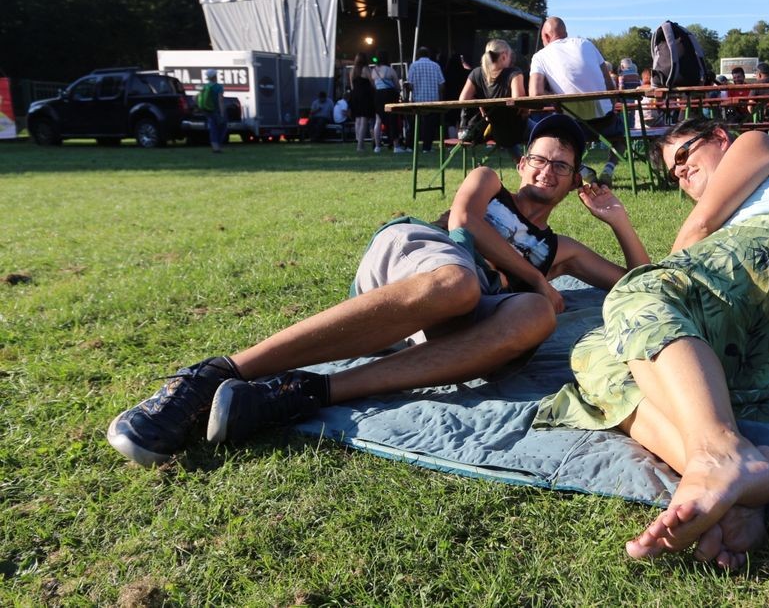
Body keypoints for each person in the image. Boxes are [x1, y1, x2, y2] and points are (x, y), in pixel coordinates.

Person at [107, 114, 652, 468]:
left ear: (576, 177)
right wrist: (536, 277)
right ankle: (216, 374)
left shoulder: (563, 249)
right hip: (424, 258)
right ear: (521, 163)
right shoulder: (490, 182)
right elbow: (464, 222)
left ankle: (303, 393)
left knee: (537, 316)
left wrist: (618, 221)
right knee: (463, 281)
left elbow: (640, 284)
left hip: (456, 313)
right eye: (538, 158)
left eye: (562, 165)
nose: (547, 170)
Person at [536, 118, 769, 570]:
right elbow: (653, 304)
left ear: (719, 138)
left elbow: (695, 231)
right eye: (673, 173)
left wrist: (647, 288)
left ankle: (718, 450)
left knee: (637, 300)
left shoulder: (754, 144)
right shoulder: (722, 245)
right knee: (596, 351)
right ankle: (725, 485)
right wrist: (621, 225)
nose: (681, 174)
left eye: (685, 156)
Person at [529, 17, 619, 185]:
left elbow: (535, 94)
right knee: (623, 134)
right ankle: (608, 169)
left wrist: (554, 97)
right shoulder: (586, 44)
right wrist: (611, 106)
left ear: (547, 37)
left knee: (558, 139)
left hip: (572, 128)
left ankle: (582, 170)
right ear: (566, 33)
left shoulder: (540, 57)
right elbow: (609, 85)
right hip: (605, 121)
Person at [458, 38, 530, 161]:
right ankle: (527, 163)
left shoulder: (476, 73)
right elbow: (518, 100)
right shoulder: (514, 73)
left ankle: (521, 162)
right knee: (544, 131)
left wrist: (482, 104)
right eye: (510, 56)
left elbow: (463, 100)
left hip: (492, 129)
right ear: (504, 56)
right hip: (515, 129)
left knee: (505, 132)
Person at [408, 46, 445, 153]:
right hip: (433, 100)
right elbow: (442, 84)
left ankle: (411, 147)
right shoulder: (435, 66)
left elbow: (410, 85)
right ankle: (426, 147)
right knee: (429, 126)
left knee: (415, 125)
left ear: (418, 55)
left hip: (418, 100)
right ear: (428, 55)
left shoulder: (413, 66)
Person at [371, 52, 403, 154]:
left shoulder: (373, 71)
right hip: (389, 95)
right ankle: (396, 146)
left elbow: (374, 85)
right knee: (392, 119)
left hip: (378, 95)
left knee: (378, 121)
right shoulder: (390, 70)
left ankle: (377, 146)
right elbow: (397, 86)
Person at [349, 52, 375, 152]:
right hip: (364, 96)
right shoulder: (365, 69)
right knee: (364, 121)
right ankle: (360, 145)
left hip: (354, 95)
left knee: (358, 121)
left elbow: (352, 85)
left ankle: (359, 143)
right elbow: (372, 82)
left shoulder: (352, 70)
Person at [200, 68, 225, 153]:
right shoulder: (218, 87)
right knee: (221, 128)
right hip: (216, 110)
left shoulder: (206, 86)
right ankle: (218, 147)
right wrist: (222, 113)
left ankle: (215, 147)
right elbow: (220, 101)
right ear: (215, 76)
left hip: (208, 110)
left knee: (212, 128)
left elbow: (196, 97)